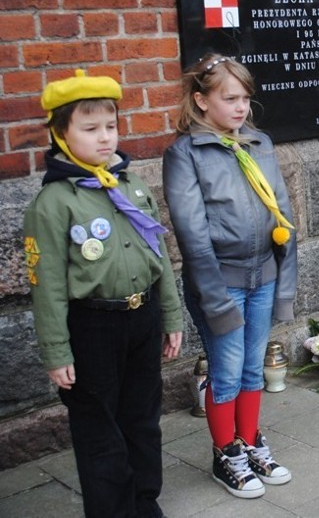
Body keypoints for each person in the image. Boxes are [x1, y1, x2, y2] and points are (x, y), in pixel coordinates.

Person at [23, 70, 183, 517]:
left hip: (141, 318)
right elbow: (47, 284)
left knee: (142, 422)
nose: (105, 138)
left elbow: (160, 260)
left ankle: (144, 503)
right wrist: (57, 351)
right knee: (100, 431)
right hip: (92, 327)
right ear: (60, 134)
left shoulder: (130, 186)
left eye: (111, 126)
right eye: (90, 129)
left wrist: (170, 318)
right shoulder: (54, 203)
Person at [163, 54, 297, 499]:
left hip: (263, 277)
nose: (241, 108)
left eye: (245, 98)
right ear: (201, 100)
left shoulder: (259, 143)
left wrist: (284, 282)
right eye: (230, 98)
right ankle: (226, 454)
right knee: (227, 370)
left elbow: (284, 214)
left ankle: (250, 439)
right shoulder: (185, 154)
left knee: (253, 368)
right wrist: (215, 298)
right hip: (220, 283)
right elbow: (192, 234)